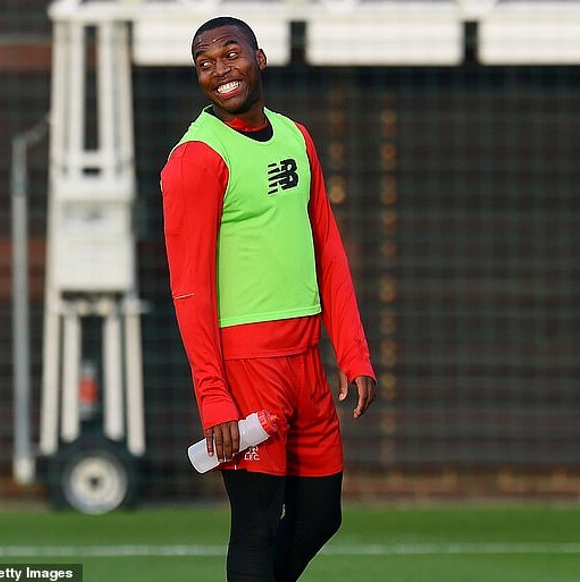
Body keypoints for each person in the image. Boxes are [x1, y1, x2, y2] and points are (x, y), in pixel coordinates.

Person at [160, 16, 377, 582]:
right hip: (246, 368)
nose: (219, 70)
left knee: (320, 515)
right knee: (255, 527)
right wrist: (214, 398)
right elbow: (189, 288)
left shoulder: (296, 137)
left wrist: (353, 352)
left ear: (260, 58)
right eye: (205, 63)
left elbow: (327, 248)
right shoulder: (195, 158)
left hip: (306, 361)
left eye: (231, 54)